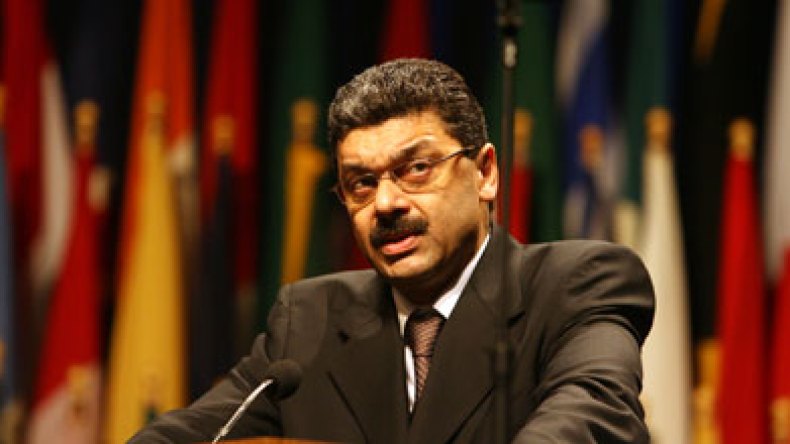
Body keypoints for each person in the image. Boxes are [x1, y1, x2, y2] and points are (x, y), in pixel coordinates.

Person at [131, 58, 654, 443]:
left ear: (486, 174)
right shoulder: (308, 322)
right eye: (361, 183)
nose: (385, 203)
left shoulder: (577, 285)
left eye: (416, 169)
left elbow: (588, 420)